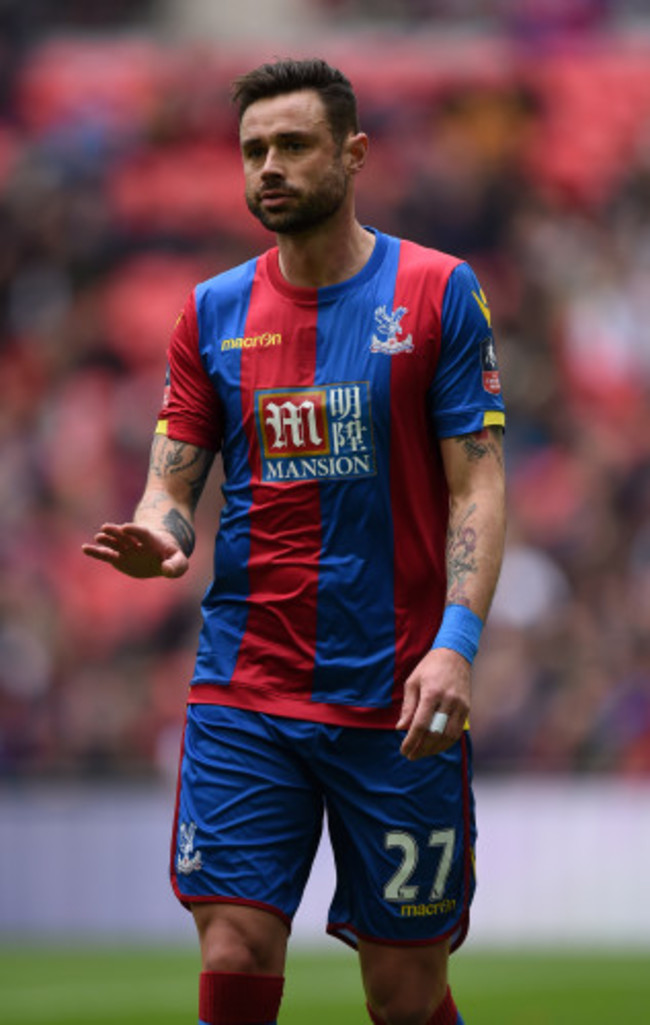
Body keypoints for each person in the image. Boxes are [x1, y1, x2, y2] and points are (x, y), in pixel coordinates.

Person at [83, 57, 506, 1025]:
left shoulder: (437, 291)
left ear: (353, 154)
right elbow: (171, 483)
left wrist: (456, 642)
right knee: (233, 941)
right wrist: (158, 533)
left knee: (405, 990)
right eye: (252, 150)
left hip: (398, 692)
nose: (267, 166)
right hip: (247, 685)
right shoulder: (210, 311)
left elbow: (476, 480)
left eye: (291, 145)